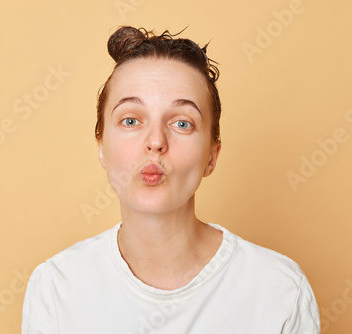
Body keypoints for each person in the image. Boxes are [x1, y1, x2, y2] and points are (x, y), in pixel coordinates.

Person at [21, 26, 321, 333]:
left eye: (182, 123)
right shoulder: (57, 287)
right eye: (131, 120)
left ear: (211, 155)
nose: (155, 142)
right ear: (101, 147)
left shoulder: (279, 290)